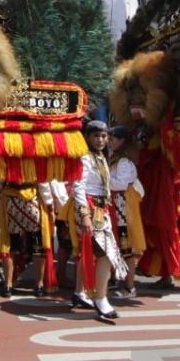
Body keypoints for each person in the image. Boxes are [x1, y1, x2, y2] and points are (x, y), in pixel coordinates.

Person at [68, 120, 126, 321]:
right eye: (96, 136)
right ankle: (101, 298)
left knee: (92, 252)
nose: (101, 140)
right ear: (87, 137)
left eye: (104, 136)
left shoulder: (101, 156)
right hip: (90, 208)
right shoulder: (84, 157)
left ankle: (79, 291)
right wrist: (84, 214)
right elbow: (77, 186)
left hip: (101, 208)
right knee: (105, 254)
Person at [0, 179, 54, 298]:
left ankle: (8, 285)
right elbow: (43, 183)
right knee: (37, 243)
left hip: (11, 200)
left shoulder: (7, 158)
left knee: (10, 243)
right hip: (32, 200)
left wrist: (3, 187)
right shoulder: (37, 159)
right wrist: (50, 206)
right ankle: (39, 285)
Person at [107, 126, 146, 297]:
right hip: (117, 207)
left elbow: (120, 184)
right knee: (117, 246)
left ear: (122, 141)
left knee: (127, 248)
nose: (109, 141)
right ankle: (118, 280)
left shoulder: (124, 162)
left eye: (112, 138)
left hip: (124, 209)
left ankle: (130, 286)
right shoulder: (114, 158)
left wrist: (102, 179)